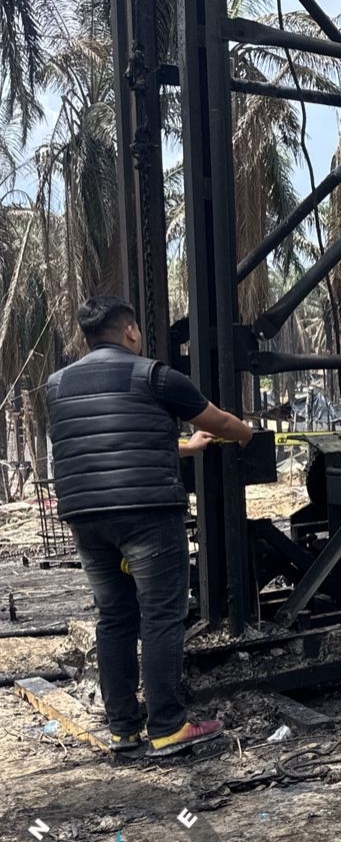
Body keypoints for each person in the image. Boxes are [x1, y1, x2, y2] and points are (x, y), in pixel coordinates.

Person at [45, 297, 256, 756]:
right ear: (131, 332)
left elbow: (112, 442)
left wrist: (185, 448)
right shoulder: (154, 375)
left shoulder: (58, 385)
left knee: (114, 617)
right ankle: (167, 726)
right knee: (161, 615)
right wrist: (245, 434)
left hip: (85, 517)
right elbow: (217, 419)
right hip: (147, 513)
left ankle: (123, 729)